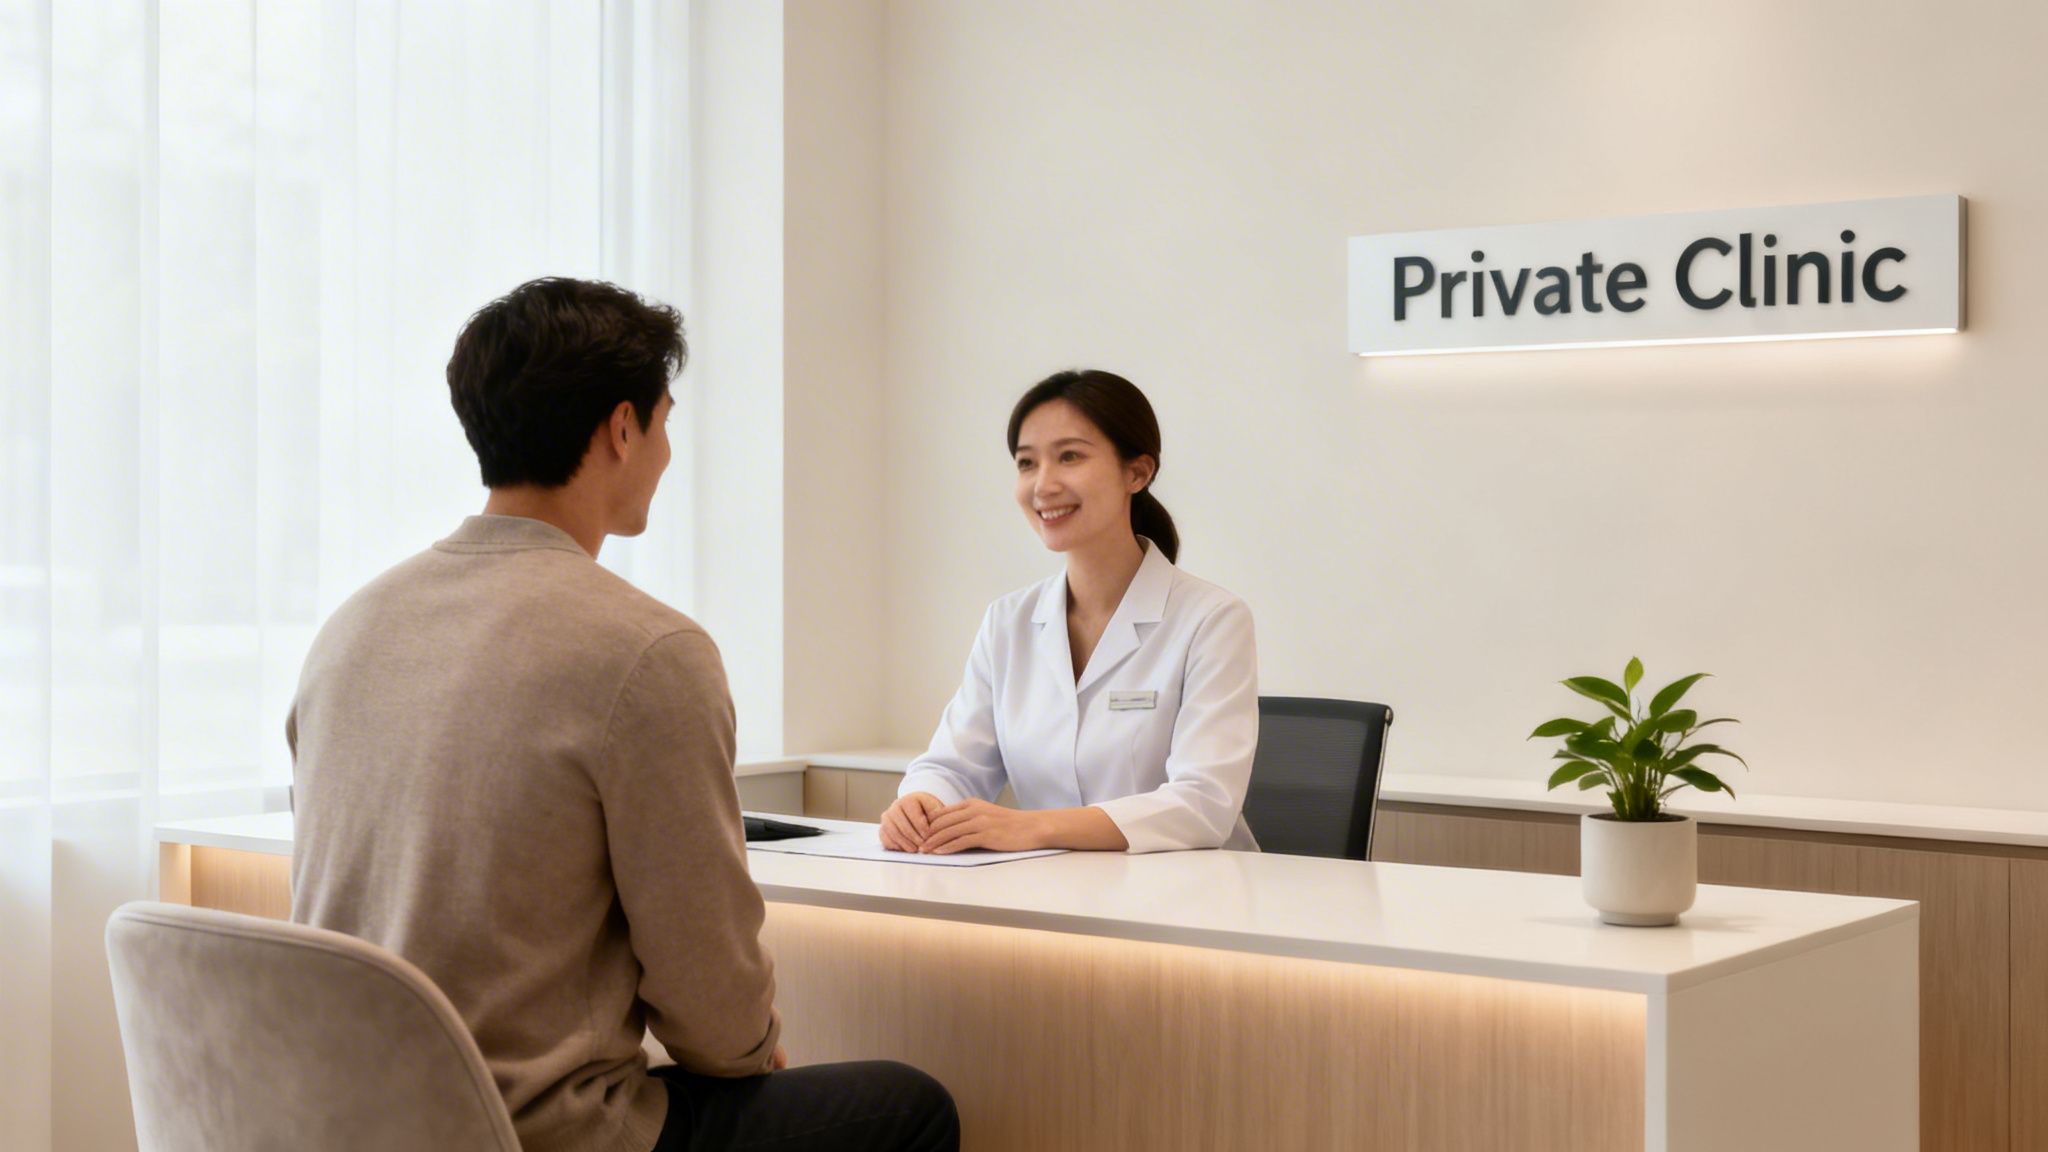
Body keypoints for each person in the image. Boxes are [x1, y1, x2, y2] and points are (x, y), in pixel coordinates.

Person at [289, 277, 957, 1152]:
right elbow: (713, 1014)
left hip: (348, 1122)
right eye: (666, 420)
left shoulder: (352, 628)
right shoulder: (647, 652)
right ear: (622, 428)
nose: (669, 451)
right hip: (536, 1134)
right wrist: (752, 1048)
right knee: (911, 1109)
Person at [880, 369, 1259, 857]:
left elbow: (1202, 804)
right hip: (1055, 892)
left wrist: (1033, 828)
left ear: (1137, 473)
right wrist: (920, 802)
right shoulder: (1008, 622)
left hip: (1192, 898)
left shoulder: (1211, 619)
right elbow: (954, 766)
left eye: (1070, 456)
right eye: (1026, 463)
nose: (1043, 485)